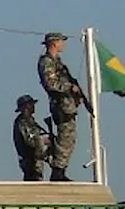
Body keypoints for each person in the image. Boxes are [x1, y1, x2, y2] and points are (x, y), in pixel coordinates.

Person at [36, 32, 82, 182]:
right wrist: (70, 87)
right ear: (54, 43)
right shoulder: (47, 62)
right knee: (65, 138)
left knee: (69, 138)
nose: (64, 44)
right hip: (60, 104)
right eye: (61, 41)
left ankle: (60, 169)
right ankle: (58, 170)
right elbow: (51, 83)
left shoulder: (58, 62)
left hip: (67, 104)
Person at [11, 95, 50, 181]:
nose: (34, 107)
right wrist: (42, 140)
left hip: (34, 159)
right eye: (31, 104)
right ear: (26, 107)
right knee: (33, 179)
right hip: (30, 159)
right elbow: (29, 141)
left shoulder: (29, 121)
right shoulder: (23, 122)